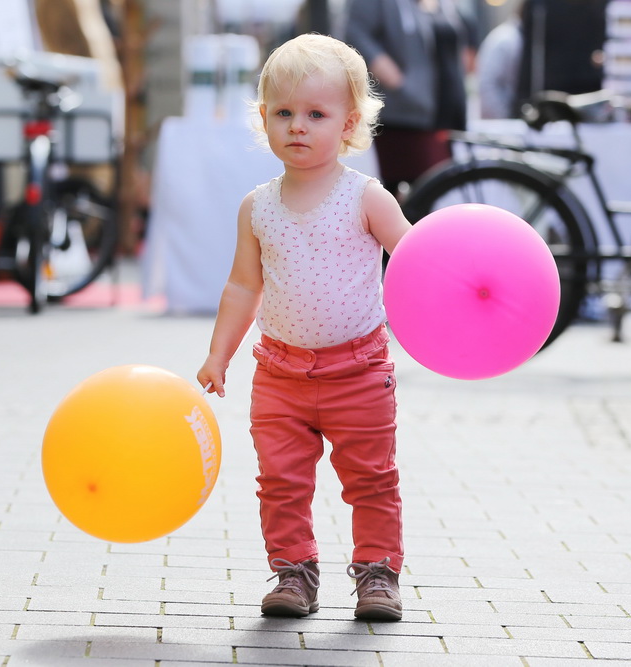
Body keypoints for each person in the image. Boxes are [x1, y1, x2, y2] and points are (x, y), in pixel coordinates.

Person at [196, 34, 412, 622]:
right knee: (281, 481)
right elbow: (243, 287)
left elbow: (415, 263)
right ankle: (294, 571)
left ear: (349, 124)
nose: (298, 126)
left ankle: (378, 573)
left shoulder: (366, 197)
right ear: (264, 118)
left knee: (371, 479)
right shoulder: (257, 207)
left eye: (316, 114)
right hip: (280, 373)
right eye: (284, 113)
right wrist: (219, 355)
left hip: (359, 371)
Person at [342, 0, 474, 197]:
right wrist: (396, 80)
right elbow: (355, 34)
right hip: (404, 115)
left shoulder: (445, 5)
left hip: (444, 113)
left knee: (439, 190)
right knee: (418, 194)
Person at [476, 4, 524, 119]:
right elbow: (487, 84)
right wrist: (504, 116)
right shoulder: (505, 39)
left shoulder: (519, 36)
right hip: (501, 120)